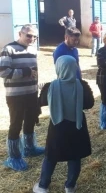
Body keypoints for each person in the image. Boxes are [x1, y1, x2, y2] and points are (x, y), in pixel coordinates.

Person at [33, 55, 94, 193]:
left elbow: (40, 102)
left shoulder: (50, 86)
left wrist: (45, 92)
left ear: (58, 68)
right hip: (77, 125)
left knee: (51, 156)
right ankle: (70, 186)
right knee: (75, 155)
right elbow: (89, 104)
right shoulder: (82, 85)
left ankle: (43, 186)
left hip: (57, 127)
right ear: (75, 67)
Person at [0, 24, 44, 171]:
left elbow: (34, 72)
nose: (32, 39)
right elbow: (3, 71)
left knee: (30, 120)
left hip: (31, 93)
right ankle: (14, 157)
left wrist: (36, 87)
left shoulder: (33, 50)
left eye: (34, 36)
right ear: (20, 33)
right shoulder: (8, 49)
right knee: (16, 124)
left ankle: (29, 148)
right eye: (29, 35)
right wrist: (25, 72)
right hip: (16, 95)